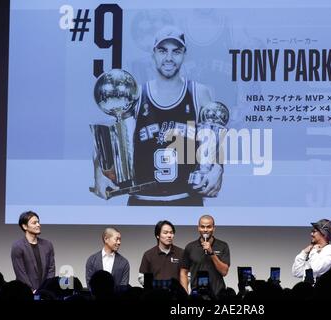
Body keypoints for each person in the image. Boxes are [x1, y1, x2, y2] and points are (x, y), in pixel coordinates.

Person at [94, 25, 223, 206]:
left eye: (176, 51)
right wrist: (99, 173)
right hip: (142, 202)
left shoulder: (198, 93)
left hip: (186, 201)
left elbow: (215, 138)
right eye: (163, 51)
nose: (169, 58)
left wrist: (218, 168)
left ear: (184, 54)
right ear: (153, 53)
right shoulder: (136, 94)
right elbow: (107, 141)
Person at [180, 215, 230, 297]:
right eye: (202, 227)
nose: (205, 230)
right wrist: (185, 294)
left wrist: (211, 253)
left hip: (217, 294)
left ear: (214, 228)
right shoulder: (190, 247)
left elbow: (224, 272)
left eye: (209, 227)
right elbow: (183, 272)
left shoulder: (223, 246)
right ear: (198, 228)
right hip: (197, 295)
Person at [11, 211, 55, 292]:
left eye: (38, 222)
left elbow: (51, 269)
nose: (38, 225)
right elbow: (20, 273)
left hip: (45, 292)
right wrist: (30, 290)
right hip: (25, 292)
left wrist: (47, 289)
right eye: (34, 223)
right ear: (25, 226)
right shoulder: (18, 246)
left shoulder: (47, 244)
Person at [138, 220, 184, 286]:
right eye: (165, 233)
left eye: (171, 233)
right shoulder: (149, 254)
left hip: (175, 294)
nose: (169, 235)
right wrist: (154, 287)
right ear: (157, 235)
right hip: (155, 294)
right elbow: (142, 277)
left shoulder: (181, 253)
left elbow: (187, 275)